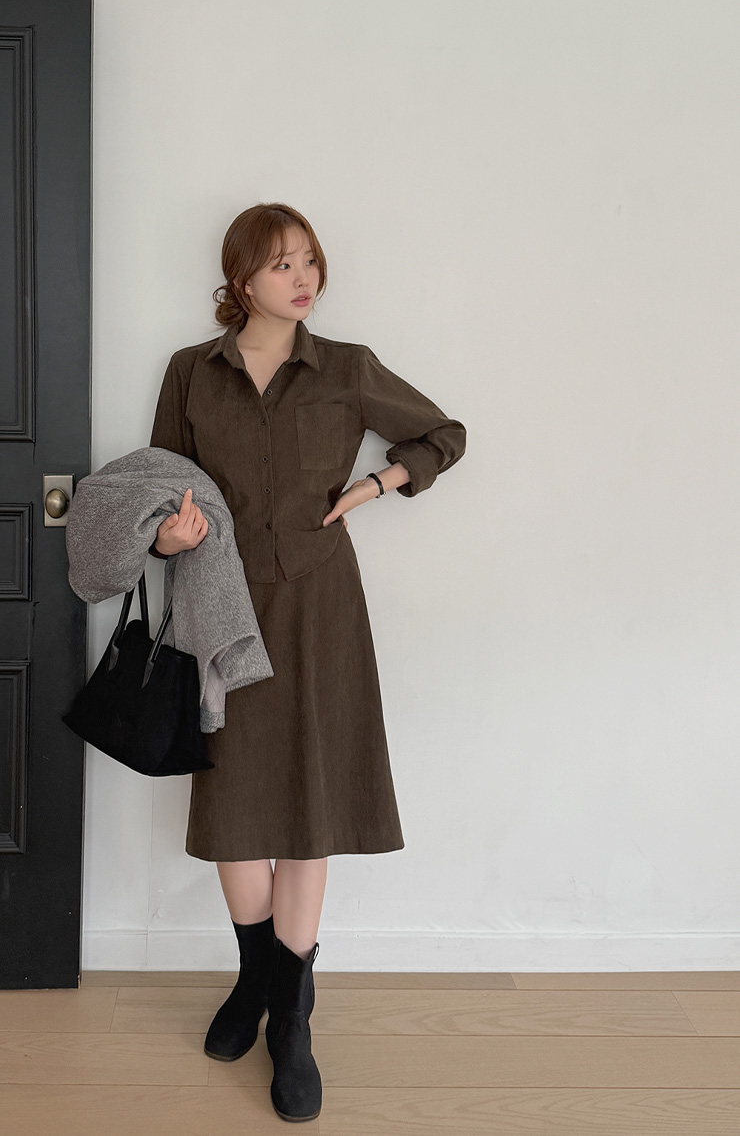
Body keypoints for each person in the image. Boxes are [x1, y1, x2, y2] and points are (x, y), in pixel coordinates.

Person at [148, 202, 466, 1122]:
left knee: (307, 798)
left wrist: (374, 484)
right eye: (283, 263)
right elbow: (158, 486)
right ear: (240, 278)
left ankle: (288, 1020)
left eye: (311, 261)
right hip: (221, 606)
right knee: (236, 803)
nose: (304, 278)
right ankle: (263, 981)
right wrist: (169, 537)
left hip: (320, 608)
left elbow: (442, 434)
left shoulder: (347, 368)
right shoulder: (190, 371)